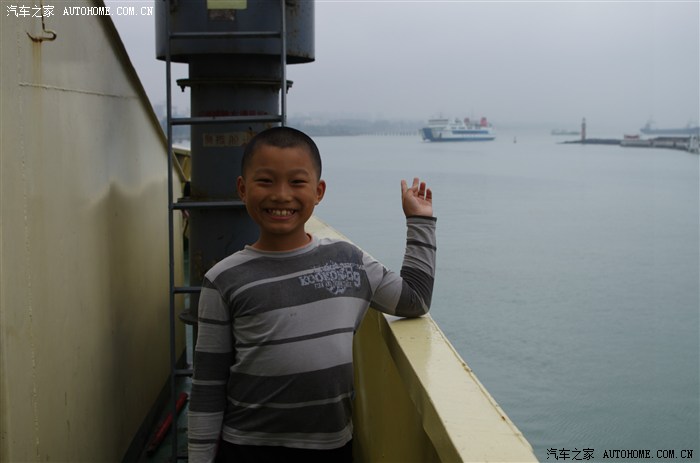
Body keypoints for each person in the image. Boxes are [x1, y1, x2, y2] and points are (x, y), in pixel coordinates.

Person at [187, 126, 437, 463]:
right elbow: (208, 386)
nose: (281, 195)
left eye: (297, 182)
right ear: (242, 189)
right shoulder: (223, 279)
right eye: (266, 181)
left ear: (318, 192)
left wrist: (420, 221)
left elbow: (414, 299)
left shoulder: (349, 262)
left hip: (331, 447)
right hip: (246, 447)